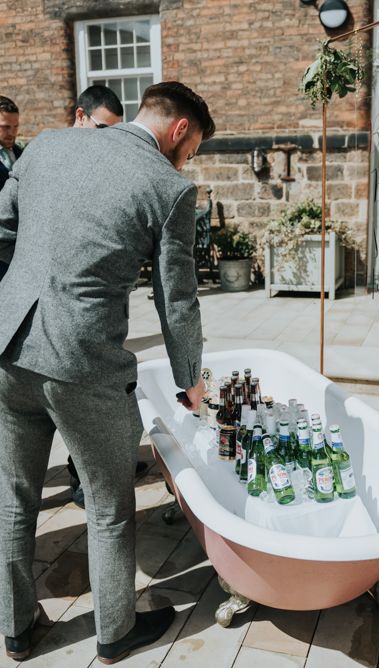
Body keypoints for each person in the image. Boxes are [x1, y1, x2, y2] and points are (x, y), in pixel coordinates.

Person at [0, 81, 214, 663]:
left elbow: (3, 231)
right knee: (108, 504)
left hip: (8, 347)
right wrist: (189, 378)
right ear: (178, 130)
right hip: (82, 362)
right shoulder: (170, 187)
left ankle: (17, 630)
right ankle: (116, 631)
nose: (188, 158)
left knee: (15, 497)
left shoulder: (44, 145)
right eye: (192, 147)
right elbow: (178, 300)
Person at [65, 84, 130, 510]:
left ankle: (88, 473)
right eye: (103, 129)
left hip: (96, 308)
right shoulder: (54, 160)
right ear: (80, 117)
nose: (110, 142)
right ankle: (86, 482)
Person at [0, 96, 22, 281]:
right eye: (5, 127)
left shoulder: (22, 154)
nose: (12, 133)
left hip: (17, 246)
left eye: (15, 126)